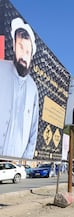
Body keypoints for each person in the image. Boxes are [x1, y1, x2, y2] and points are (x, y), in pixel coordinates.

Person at [0, 17, 39, 159]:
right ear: (14, 46)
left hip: (14, 165)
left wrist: (24, 161)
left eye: (28, 52)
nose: (24, 55)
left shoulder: (33, 88)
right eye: (21, 47)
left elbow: (34, 131)